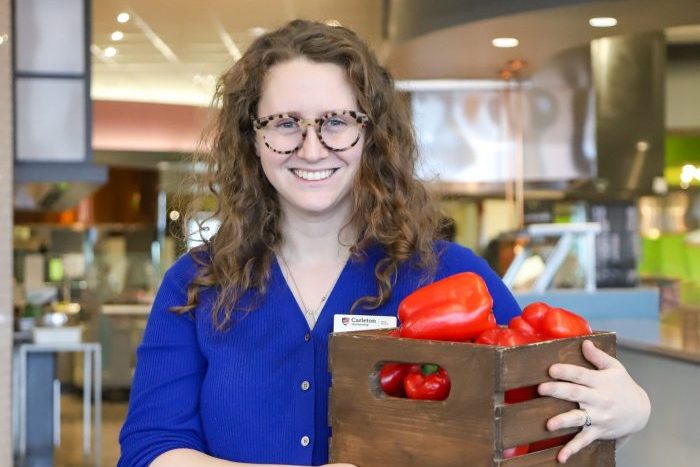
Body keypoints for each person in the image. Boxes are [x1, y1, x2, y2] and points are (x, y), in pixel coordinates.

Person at [118, 19, 650, 467]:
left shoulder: (452, 275)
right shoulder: (195, 283)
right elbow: (152, 449)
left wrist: (628, 413)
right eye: (284, 123)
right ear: (251, 137)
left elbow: (532, 421)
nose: (311, 148)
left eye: (336, 121)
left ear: (371, 134)